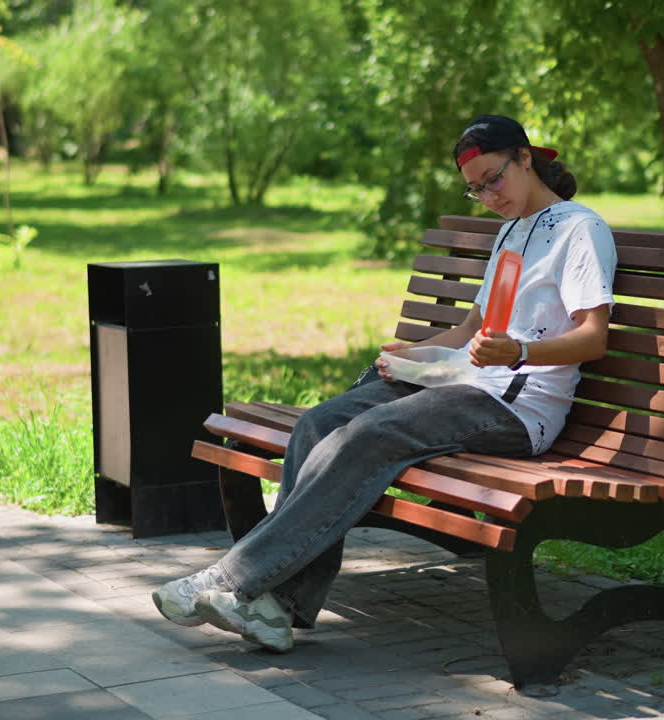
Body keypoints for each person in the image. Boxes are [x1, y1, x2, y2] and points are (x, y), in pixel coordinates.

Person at [152, 114, 618, 652]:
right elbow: (471, 328)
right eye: (476, 189)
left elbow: (593, 337)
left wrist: (521, 351)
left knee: (369, 434)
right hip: (465, 383)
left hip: (519, 405)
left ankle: (232, 581)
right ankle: (281, 607)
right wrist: (413, 354)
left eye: (494, 179)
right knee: (320, 422)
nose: (490, 196)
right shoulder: (511, 231)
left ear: (525, 158)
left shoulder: (580, 229)